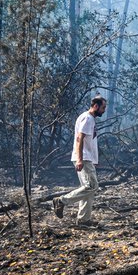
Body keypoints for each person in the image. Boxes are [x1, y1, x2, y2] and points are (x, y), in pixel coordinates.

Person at [53, 94, 107, 227]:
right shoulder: (87, 118)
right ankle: (61, 201)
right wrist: (80, 159)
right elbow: (79, 139)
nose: (104, 110)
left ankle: (84, 220)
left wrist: (94, 159)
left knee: (88, 188)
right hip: (83, 158)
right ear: (96, 106)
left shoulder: (90, 119)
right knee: (92, 186)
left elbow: (89, 141)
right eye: (103, 107)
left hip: (87, 158)